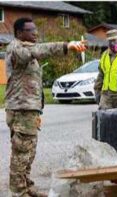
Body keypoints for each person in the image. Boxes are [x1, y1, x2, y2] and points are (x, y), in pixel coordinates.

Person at [5, 17, 86, 197]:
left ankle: (26, 186)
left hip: (29, 110)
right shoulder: (16, 47)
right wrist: (67, 46)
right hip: (21, 110)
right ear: (19, 33)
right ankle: (18, 192)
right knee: (21, 152)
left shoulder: (28, 50)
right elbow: (39, 51)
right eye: (30, 30)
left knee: (29, 151)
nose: (35, 33)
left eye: (36, 30)